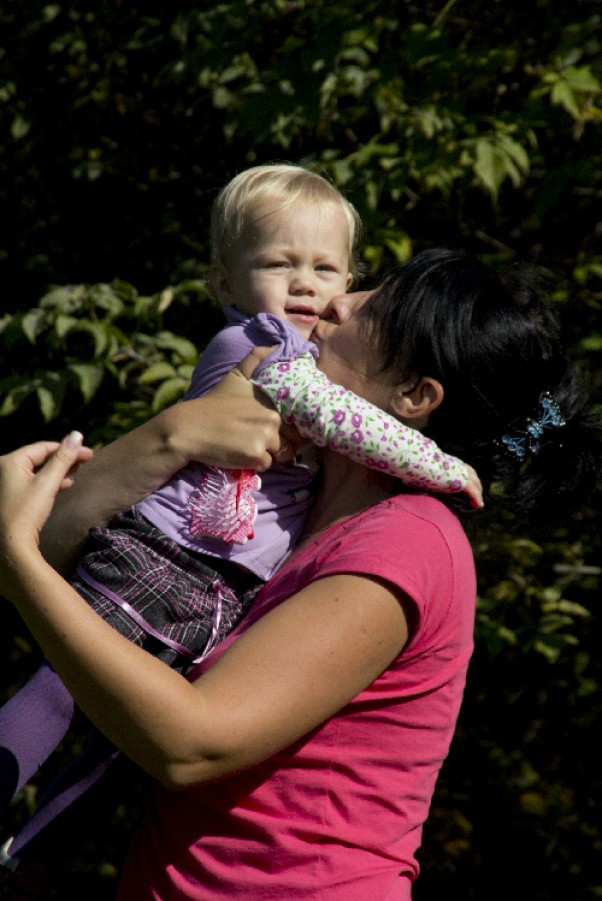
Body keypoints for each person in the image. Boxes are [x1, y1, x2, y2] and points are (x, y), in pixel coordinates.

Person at [0, 249, 598, 900]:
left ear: (415, 395)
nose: (339, 300)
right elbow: (71, 559)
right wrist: (170, 436)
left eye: (379, 305)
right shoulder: (278, 507)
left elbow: (193, 740)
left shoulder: (411, 538)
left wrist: (21, 564)